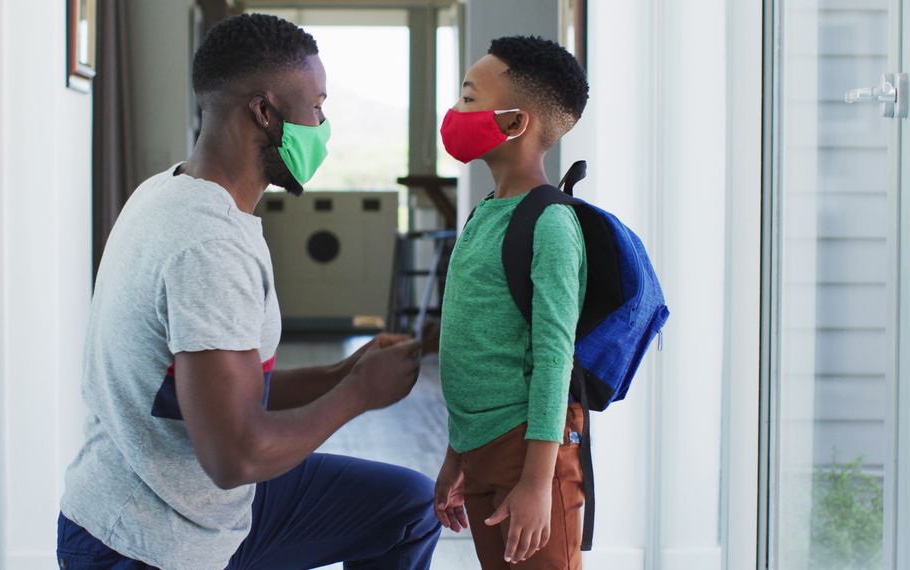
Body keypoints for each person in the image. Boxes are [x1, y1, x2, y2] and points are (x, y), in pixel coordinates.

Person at [58, 14, 440, 570]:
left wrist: (344, 372)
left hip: (160, 501)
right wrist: (356, 396)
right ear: (265, 112)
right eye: (317, 108)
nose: (324, 124)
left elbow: (218, 391)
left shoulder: (167, 191)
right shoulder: (209, 246)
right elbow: (234, 454)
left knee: (405, 508)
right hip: (147, 541)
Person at [433, 36, 590, 569]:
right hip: (481, 451)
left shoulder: (551, 223)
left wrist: (536, 483)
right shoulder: (483, 213)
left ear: (513, 123)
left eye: (469, 98)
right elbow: (475, 341)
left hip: (530, 454)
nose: (455, 112)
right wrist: (458, 454)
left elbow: (554, 358)